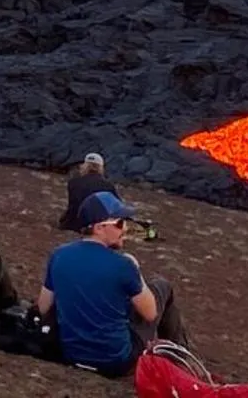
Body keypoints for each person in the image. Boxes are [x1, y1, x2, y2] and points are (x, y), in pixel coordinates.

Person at [38, 190, 187, 378]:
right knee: (162, 287)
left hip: (71, 354)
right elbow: (151, 314)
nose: (125, 229)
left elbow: (43, 307)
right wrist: (137, 271)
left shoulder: (59, 255)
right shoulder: (123, 265)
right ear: (99, 228)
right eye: (119, 223)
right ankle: (179, 360)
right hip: (115, 362)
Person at [59, 152, 115, 232]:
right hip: (96, 226)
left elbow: (73, 206)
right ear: (101, 168)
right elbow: (115, 209)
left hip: (74, 224)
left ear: (85, 166)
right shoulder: (108, 186)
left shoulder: (73, 183)